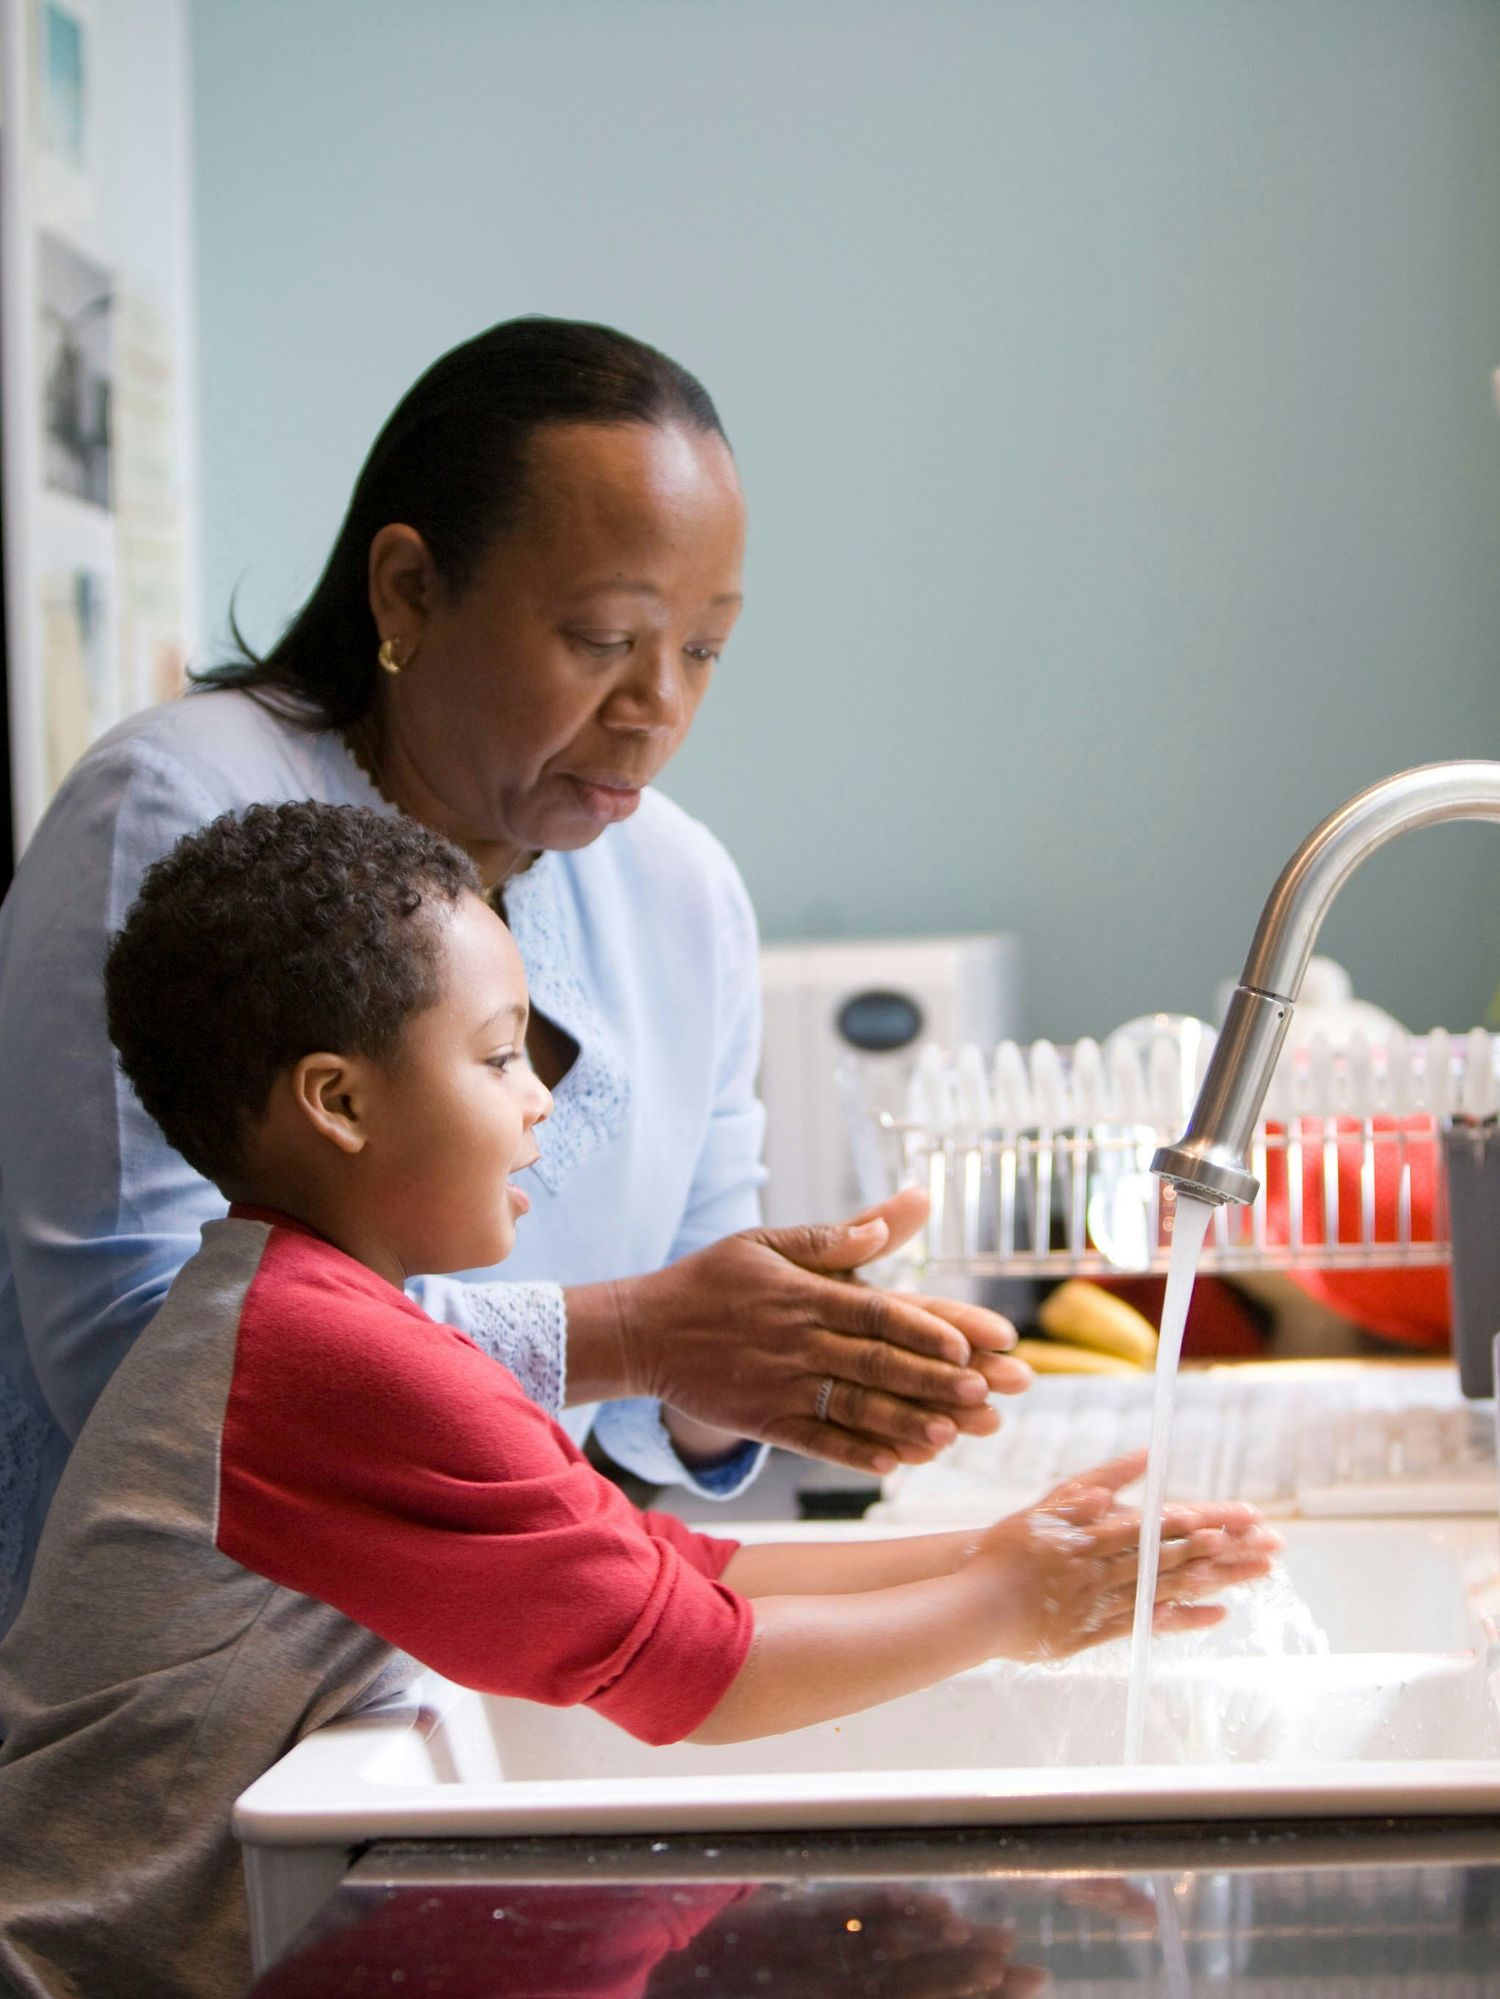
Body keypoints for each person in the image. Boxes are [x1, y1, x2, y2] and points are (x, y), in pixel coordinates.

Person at [0, 804, 1277, 1999]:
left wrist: (998, 1551)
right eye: (500, 1056)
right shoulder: (321, 1356)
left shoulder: (311, 1317)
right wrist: (1011, 1604)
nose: (539, 1095)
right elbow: (694, 1671)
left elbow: (675, 1566)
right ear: (338, 1102)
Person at [0, 317, 1027, 1637]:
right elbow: (138, 1366)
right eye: (606, 636)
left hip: (448, 1658)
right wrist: (640, 1332)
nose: (657, 704)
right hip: (161, 1691)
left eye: (705, 647)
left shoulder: (681, 886)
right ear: (409, 591)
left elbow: (663, 1409)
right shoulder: (182, 805)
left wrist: (781, 1363)